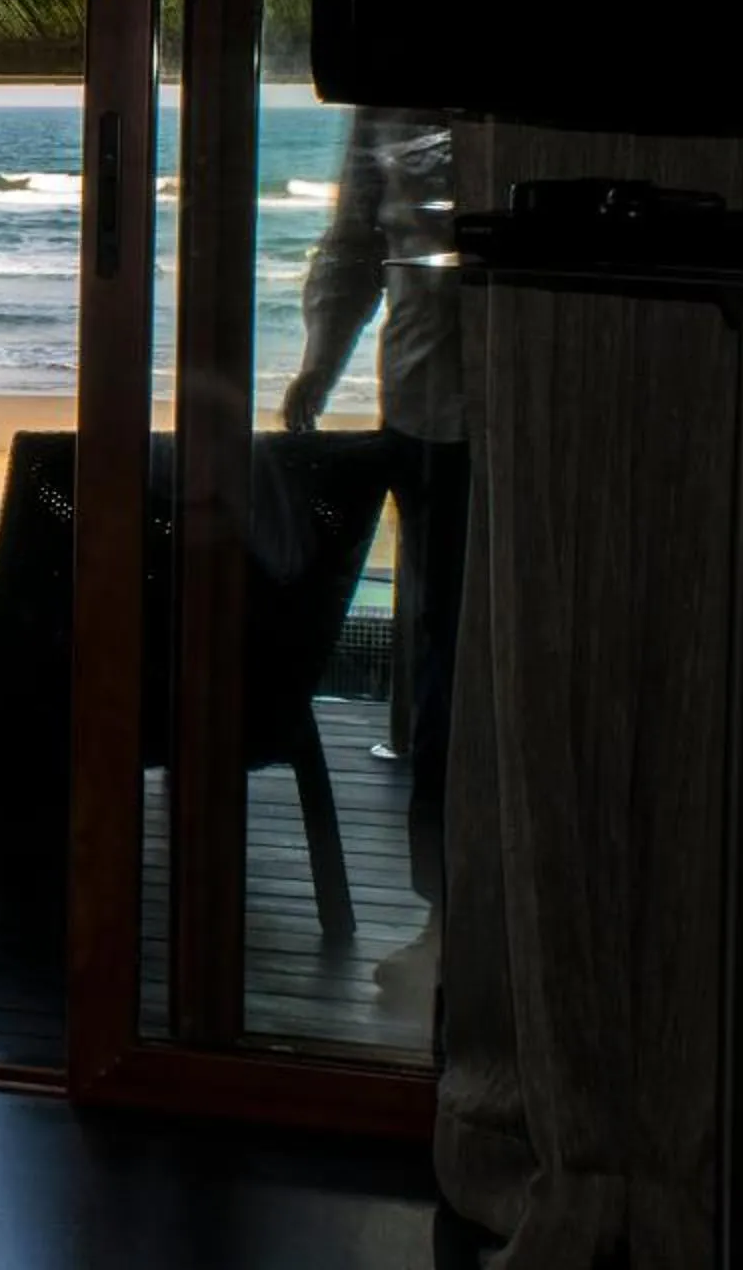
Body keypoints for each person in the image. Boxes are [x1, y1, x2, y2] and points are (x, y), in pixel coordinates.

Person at [283, 105, 466, 1008]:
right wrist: (321, 359)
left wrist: (320, 359)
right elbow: (360, 241)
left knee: (446, 664)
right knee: (444, 664)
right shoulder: (393, 97)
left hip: (435, 410)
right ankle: (448, 924)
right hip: (434, 415)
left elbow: (355, 242)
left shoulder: (397, 91)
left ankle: (448, 925)